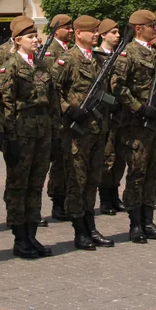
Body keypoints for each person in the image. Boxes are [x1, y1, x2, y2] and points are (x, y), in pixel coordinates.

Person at [55, 15, 116, 250]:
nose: (95, 35)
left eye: (96, 31)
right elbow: (54, 91)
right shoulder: (67, 60)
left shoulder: (99, 60)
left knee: (92, 180)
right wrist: (69, 110)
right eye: (91, 31)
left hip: (97, 130)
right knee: (76, 182)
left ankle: (91, 227)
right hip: (77, 132)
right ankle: (79, 230)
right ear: (78, 33)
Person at [0, 17, 56, 258]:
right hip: (21, 134)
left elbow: (52, 102)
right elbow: (5, 104)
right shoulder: (10, 66)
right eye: (30, 37)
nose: (36, 40)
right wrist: (8, 137)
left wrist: (55, 132)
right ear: (17, 40)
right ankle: (19, 238)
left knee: (35, 185)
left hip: (42, 133)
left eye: (36, 36)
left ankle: (32, 235)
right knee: (18, 187)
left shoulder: (42, 66)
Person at [110, 10, 156, 244]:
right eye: (151, 26)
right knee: (137, 174)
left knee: (153, 173)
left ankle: (148, 220)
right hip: (137, 124)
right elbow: (117, 86)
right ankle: (135, 224)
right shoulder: (127, 54)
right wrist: (138, 107)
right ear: (138, 28)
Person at [44, 14, 74, 223]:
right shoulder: (51, 51)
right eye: (67, 27)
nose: (71, 30)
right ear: (57, 29)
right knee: (59, 161)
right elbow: (50, 83)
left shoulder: (66, 50)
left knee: (68, 159)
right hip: (57, 115)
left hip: (69, 116)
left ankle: (66, 199)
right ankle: (57, 200)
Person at [96, 19, 127, 216]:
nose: (117, 35)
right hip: (103, 114)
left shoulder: (120, 57)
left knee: (120, 157)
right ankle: (105, 198)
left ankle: (115, 194)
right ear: (103, 35)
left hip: (120, 114)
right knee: (106, 157)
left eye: (118, 32)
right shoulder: (95, 56)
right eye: (113, 32)